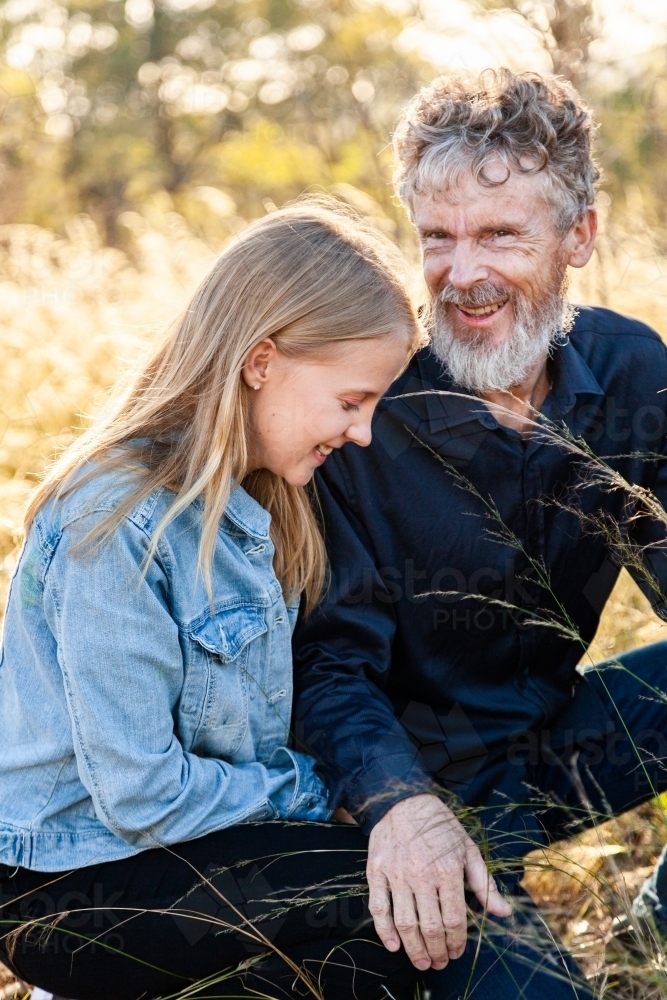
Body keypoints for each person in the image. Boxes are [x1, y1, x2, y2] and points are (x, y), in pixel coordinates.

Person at [293, 70, 667, 999]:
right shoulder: (358, 407)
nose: (463, 275)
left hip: (555, 744)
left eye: (500, 233)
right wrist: (400, 806)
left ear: (577, 236)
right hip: (408, 805)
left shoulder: (632, 371)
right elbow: (326, 668)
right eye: (437, 237)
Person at [0, 201, 428, 1000]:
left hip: (175, 851)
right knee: (377, 900)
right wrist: (319, 795)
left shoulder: (260, 504)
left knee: (376, 942)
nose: (364, 433)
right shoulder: (116, 522)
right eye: (350, 401)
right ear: (261, 360)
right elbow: (139, 792)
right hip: (63, 878)